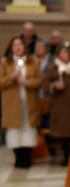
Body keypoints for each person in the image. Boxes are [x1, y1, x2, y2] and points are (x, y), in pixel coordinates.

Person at [0, 36, 42, 168]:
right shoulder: (4, 62)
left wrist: (27, 82)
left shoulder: (33, 61)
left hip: (29, 102)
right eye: (14, 45)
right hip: (12, 103)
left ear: (25, 47)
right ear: (10, 48)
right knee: (14, 131)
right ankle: (18, 158)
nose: (17, 47)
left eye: (20, 44)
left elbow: (40, 81)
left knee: (28, 130)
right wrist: (11, 78)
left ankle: (27, 157)